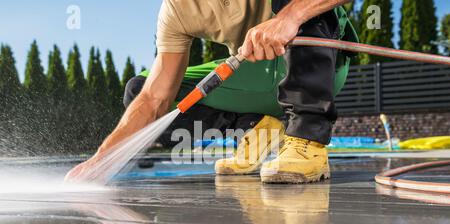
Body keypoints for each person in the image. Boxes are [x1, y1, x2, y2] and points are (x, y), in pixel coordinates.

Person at [66, 0, 357, 184]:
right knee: (140, 89)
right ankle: (254, 129)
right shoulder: (175, 10)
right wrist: (101, 161)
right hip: (253, 74)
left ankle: (307, 139)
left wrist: (291, 15)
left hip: (321, 67)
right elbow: (155, 98)